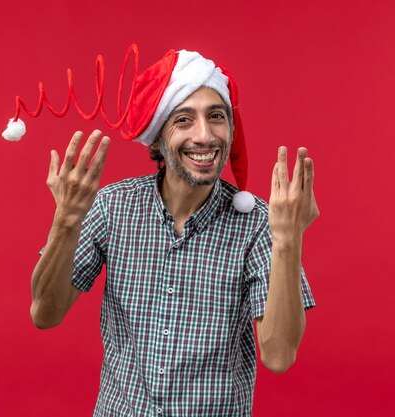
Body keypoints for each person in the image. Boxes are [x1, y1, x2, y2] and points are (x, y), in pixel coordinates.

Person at [23, 47, 319, 416]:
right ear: (159, 138)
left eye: (216, 117)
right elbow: (44, 314)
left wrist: (289, 240)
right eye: (183, 120)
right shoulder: (113, 207)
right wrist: (66, 219)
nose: (205, 135)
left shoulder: (260, 223)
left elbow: (278, 355)